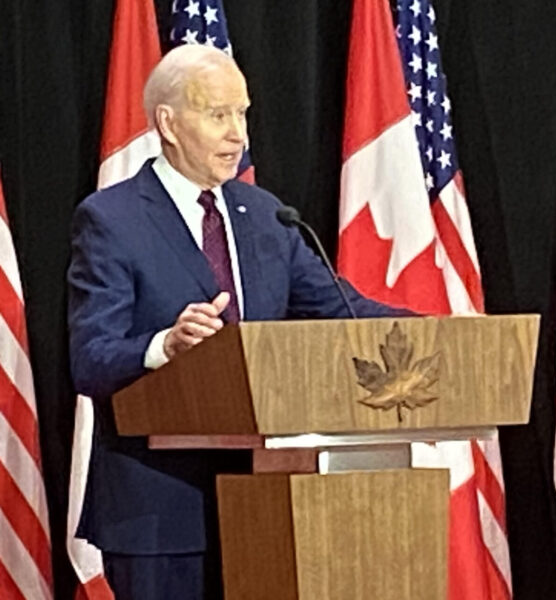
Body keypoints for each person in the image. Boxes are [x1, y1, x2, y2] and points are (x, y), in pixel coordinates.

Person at [67, 44, 405, 600]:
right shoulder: (111, 219)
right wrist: (163, 346)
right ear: (169, 123)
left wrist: (440, 330)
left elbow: (343, 311)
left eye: (242, 113)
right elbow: (90, 358)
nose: (238, 135)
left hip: (270, 505)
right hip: (160, 513)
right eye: (218, 114)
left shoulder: (265, 216)